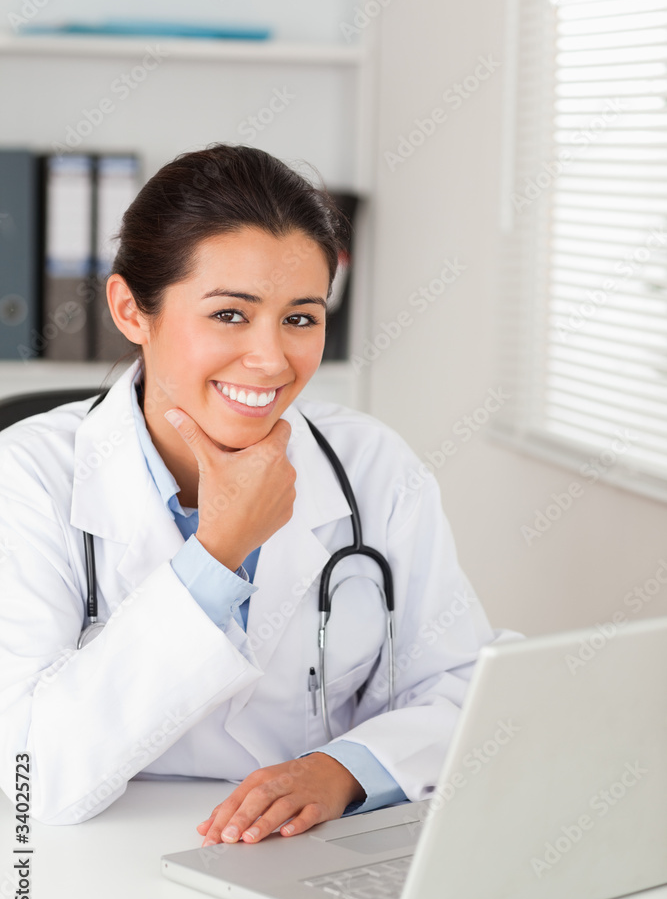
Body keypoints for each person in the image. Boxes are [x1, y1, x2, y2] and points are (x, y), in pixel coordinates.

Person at [0, 143, 519, 845]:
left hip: (306, 851)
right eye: (230, 315)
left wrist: (344, 771)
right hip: (97, 858)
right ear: (129, 309)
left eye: (300, 318)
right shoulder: (27, 477)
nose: (272, 360)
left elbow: (462, 684)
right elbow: (41, 773)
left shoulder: (372, 466)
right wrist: (217, 554)